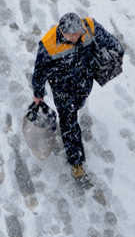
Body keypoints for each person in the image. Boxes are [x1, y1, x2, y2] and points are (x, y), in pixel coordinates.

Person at [31, 12, 124, 180]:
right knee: (69, 121)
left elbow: (115, 46)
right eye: (71, 35)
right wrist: (38, 94)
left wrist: (112, 56)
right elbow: (39, 72)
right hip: (62, 88)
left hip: (84, 81)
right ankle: (76, 163)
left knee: (78, 105)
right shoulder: (48, 45)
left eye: (78, 33)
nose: (76, 37)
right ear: (62, 31)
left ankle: (73, 118)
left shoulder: (89, 27)